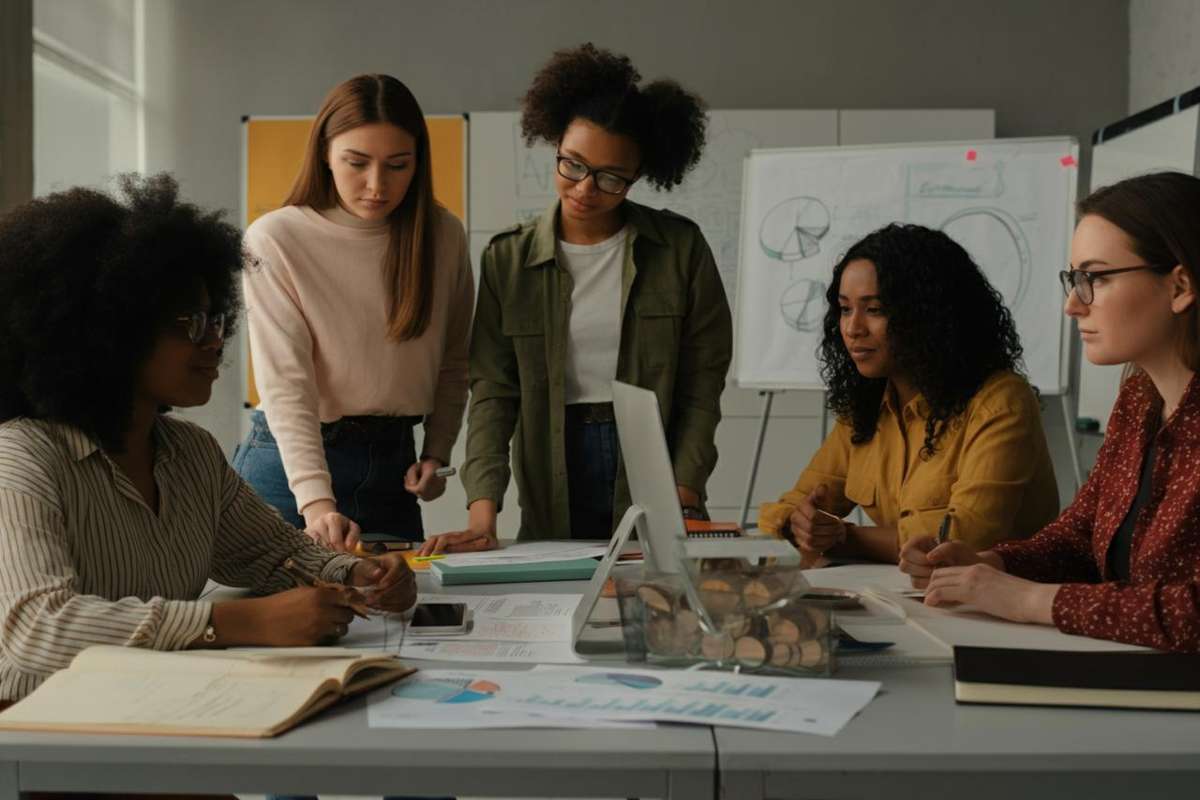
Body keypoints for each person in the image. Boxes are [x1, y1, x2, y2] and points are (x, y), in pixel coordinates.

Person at [0, 174, 417, 709]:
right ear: (108, 333)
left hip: (151, 711)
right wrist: (237, 621)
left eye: (216, 319)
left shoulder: (190, 451)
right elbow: (36, 628)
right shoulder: (21, 457)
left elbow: (275, 552)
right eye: (190, 323)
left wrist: (361, 573)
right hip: (39, 732)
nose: (215, 341)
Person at [421, 43, 732, 554]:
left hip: (652, 462)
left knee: (649, 589)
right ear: (555, 145)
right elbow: (494, 391)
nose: (586, 188)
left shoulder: (680, 249)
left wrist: (684, 490)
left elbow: (703, 380)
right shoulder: (509, 259)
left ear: (638, 175)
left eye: (610, 177)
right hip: (552, 460)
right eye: (573, 164)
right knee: (553, 585)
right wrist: (482, 515)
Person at [900, 172, 1200, 652]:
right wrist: (991, 565)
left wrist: (1030, 601)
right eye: (1074, 279)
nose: (1072, 305)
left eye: (1095, 278)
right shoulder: (1138, 401)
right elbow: (1079, 537)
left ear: (1180, 286)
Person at [236, 74, 473, 553]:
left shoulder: (443, 235)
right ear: (325, 153)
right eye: (357, 163)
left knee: (400, 603)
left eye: (398, 165)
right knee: (291, 602)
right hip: (290, 470)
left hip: (393, 467)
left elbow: (454, 360)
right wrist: (317, 503)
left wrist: (437, 452)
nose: (377, 185)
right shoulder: (276, 238)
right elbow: (286, 384)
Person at [759, 224, 1059, 564]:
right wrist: (798, 523)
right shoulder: (867, 405)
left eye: (874, 310)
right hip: (902, 591)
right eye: (845, 309)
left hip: (998, 594)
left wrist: (846, 537)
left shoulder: (1001, 402)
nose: (853, 328)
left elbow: (966, 537)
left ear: (929, 315)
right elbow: (798, 502)